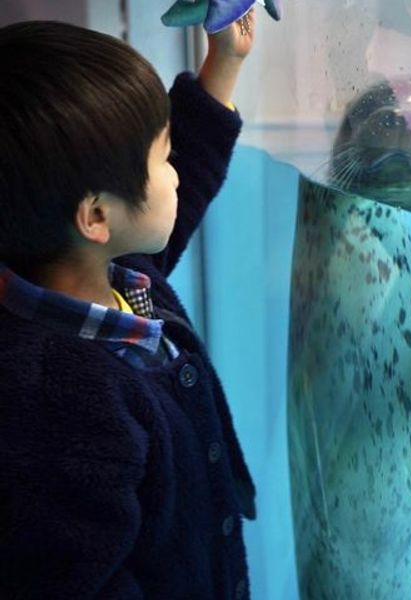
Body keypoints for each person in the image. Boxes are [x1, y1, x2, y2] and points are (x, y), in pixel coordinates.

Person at [0, 12, 256, 600]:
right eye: (161, 158)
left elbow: (178, 188)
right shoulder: (55, 401)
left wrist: (227, 59)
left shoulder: (115, 276)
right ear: (96, 217)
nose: (175, 175)